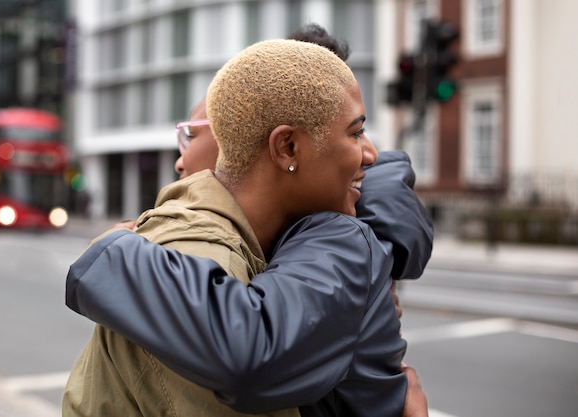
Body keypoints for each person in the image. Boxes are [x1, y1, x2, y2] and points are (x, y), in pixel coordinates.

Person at [64, 31, 432, 417]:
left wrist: (111, 253)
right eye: (356, 132)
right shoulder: (203, 246)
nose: (371, 153)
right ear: (286, 147)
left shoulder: (339, 233)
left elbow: (253, 350)